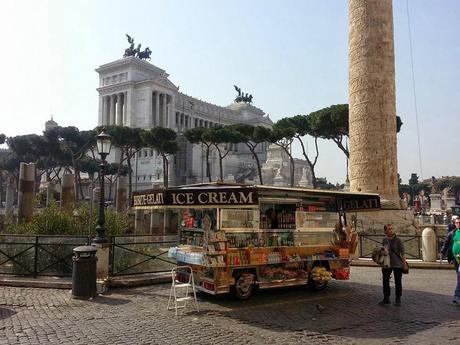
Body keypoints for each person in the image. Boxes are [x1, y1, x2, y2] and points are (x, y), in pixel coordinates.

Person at [379, 224, 406, 307]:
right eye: (389, 229)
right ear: (385, 231)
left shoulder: (398, 240)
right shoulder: (384, 240)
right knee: (385, 281)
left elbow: (403, 252)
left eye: (392, 229)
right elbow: (383, 251)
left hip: (397, 264)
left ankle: (398, 299)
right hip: (387, 263)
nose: (391, 230)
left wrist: (404, 264)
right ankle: (386, 298)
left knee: (398, 282)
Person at [439, 217, 460, 304]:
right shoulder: (452, 233)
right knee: (459, 277)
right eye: (457, 222)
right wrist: (442, 252)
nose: (458, 224)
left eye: (459, 222)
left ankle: (457, 296)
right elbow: (446, 243)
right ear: (454, 223)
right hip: (456, 258)